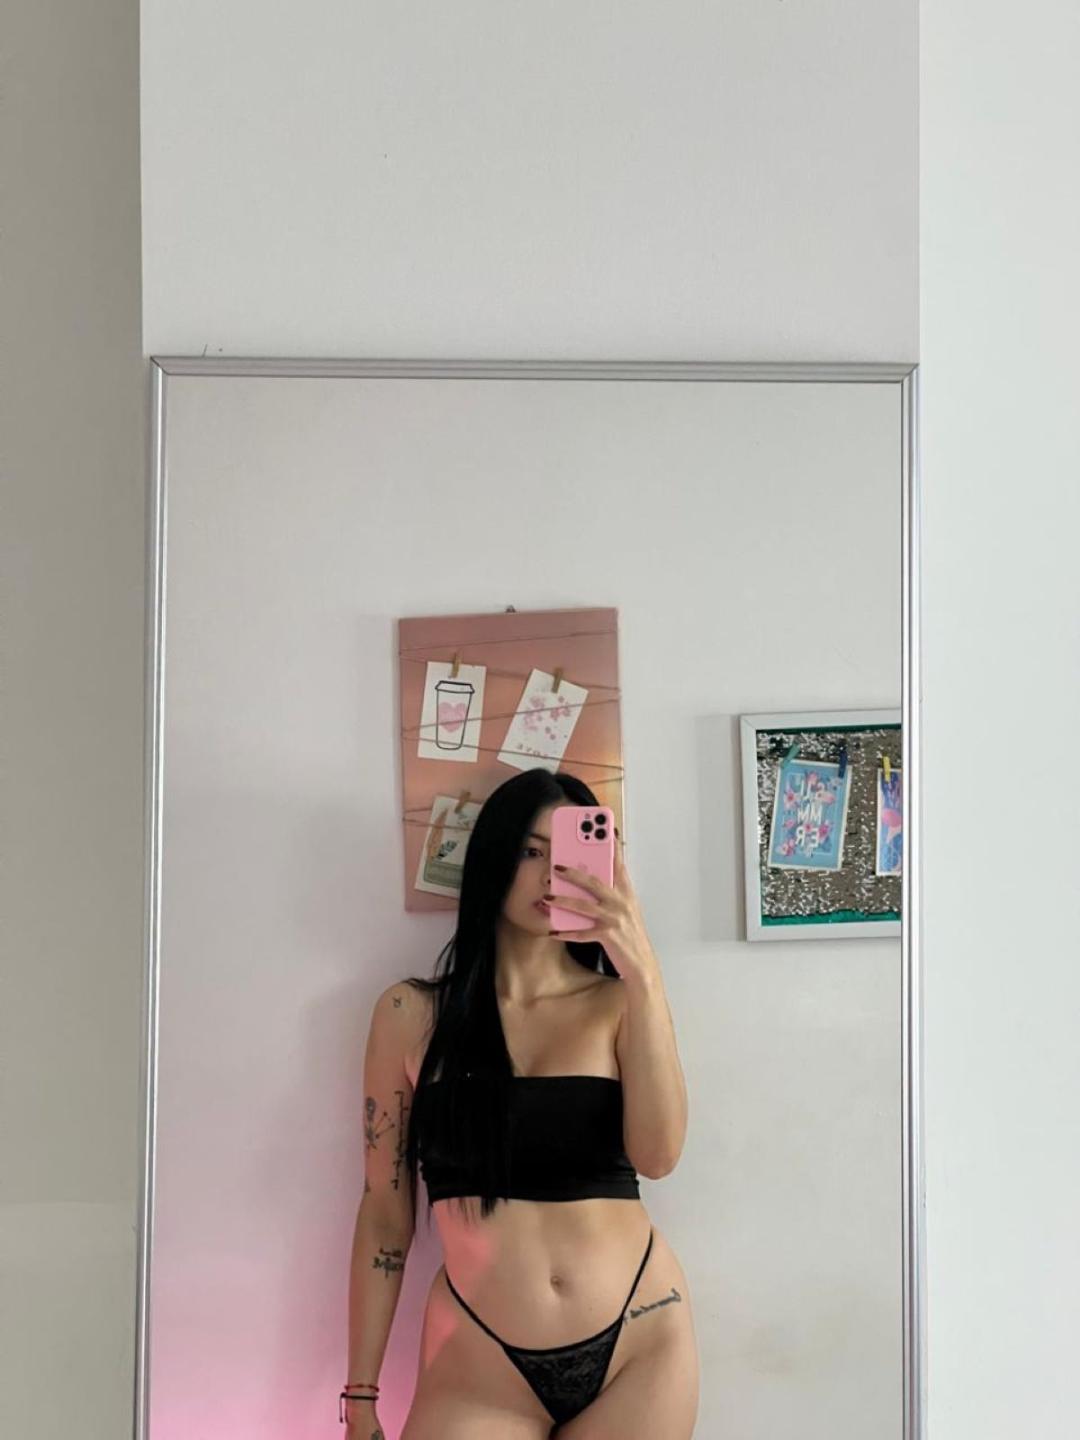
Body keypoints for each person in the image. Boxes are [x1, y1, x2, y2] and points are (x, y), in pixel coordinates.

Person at [343, 769, 699, 1439]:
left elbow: (659, 1156)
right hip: (478, 1358)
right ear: (493, 859)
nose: (550, 874)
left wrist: (643, 969)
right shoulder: (409, 1015)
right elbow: (385, 1214)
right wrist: (360, 1394)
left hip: (640, 1341)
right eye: (531, 851)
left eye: (570, 854)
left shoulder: (620, 1004)